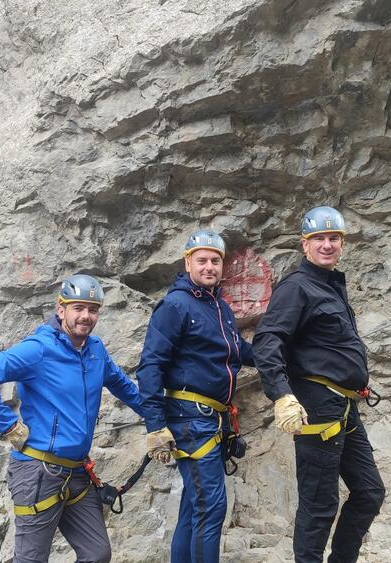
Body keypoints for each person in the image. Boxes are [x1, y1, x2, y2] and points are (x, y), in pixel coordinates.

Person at [0, 274, 145, 563]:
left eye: (93, 309)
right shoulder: (39, 349)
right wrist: (9, 426)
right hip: (38, 472)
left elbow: (126, 389)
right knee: (32, 559)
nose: (86, 316)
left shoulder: (95, 350)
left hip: (76, 473)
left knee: (97, 553)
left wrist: (162, 421)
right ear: (61, 310)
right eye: (78, 308)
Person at [253, 207, 386, 563]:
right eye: (319, 239)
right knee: (319, 503)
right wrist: (281, 395)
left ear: (342, 243)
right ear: (305, 244)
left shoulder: (330, 285)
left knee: (370, 492)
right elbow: (267, 341)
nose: (326, 245)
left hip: (344, 406)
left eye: (333, 238)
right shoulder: (297, 287)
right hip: (317, 406)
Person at [138, 229, 255, 563]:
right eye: (201, 260)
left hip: (213, 421)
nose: (209, 267)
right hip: (190, 420)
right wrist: (155, 426)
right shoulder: (175, 306)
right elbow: (150, 367)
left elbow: (237, 351)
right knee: (211, 507)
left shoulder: (220, 308)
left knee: (195, 506)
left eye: (215, 261)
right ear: (188, 262)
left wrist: (276, 354)